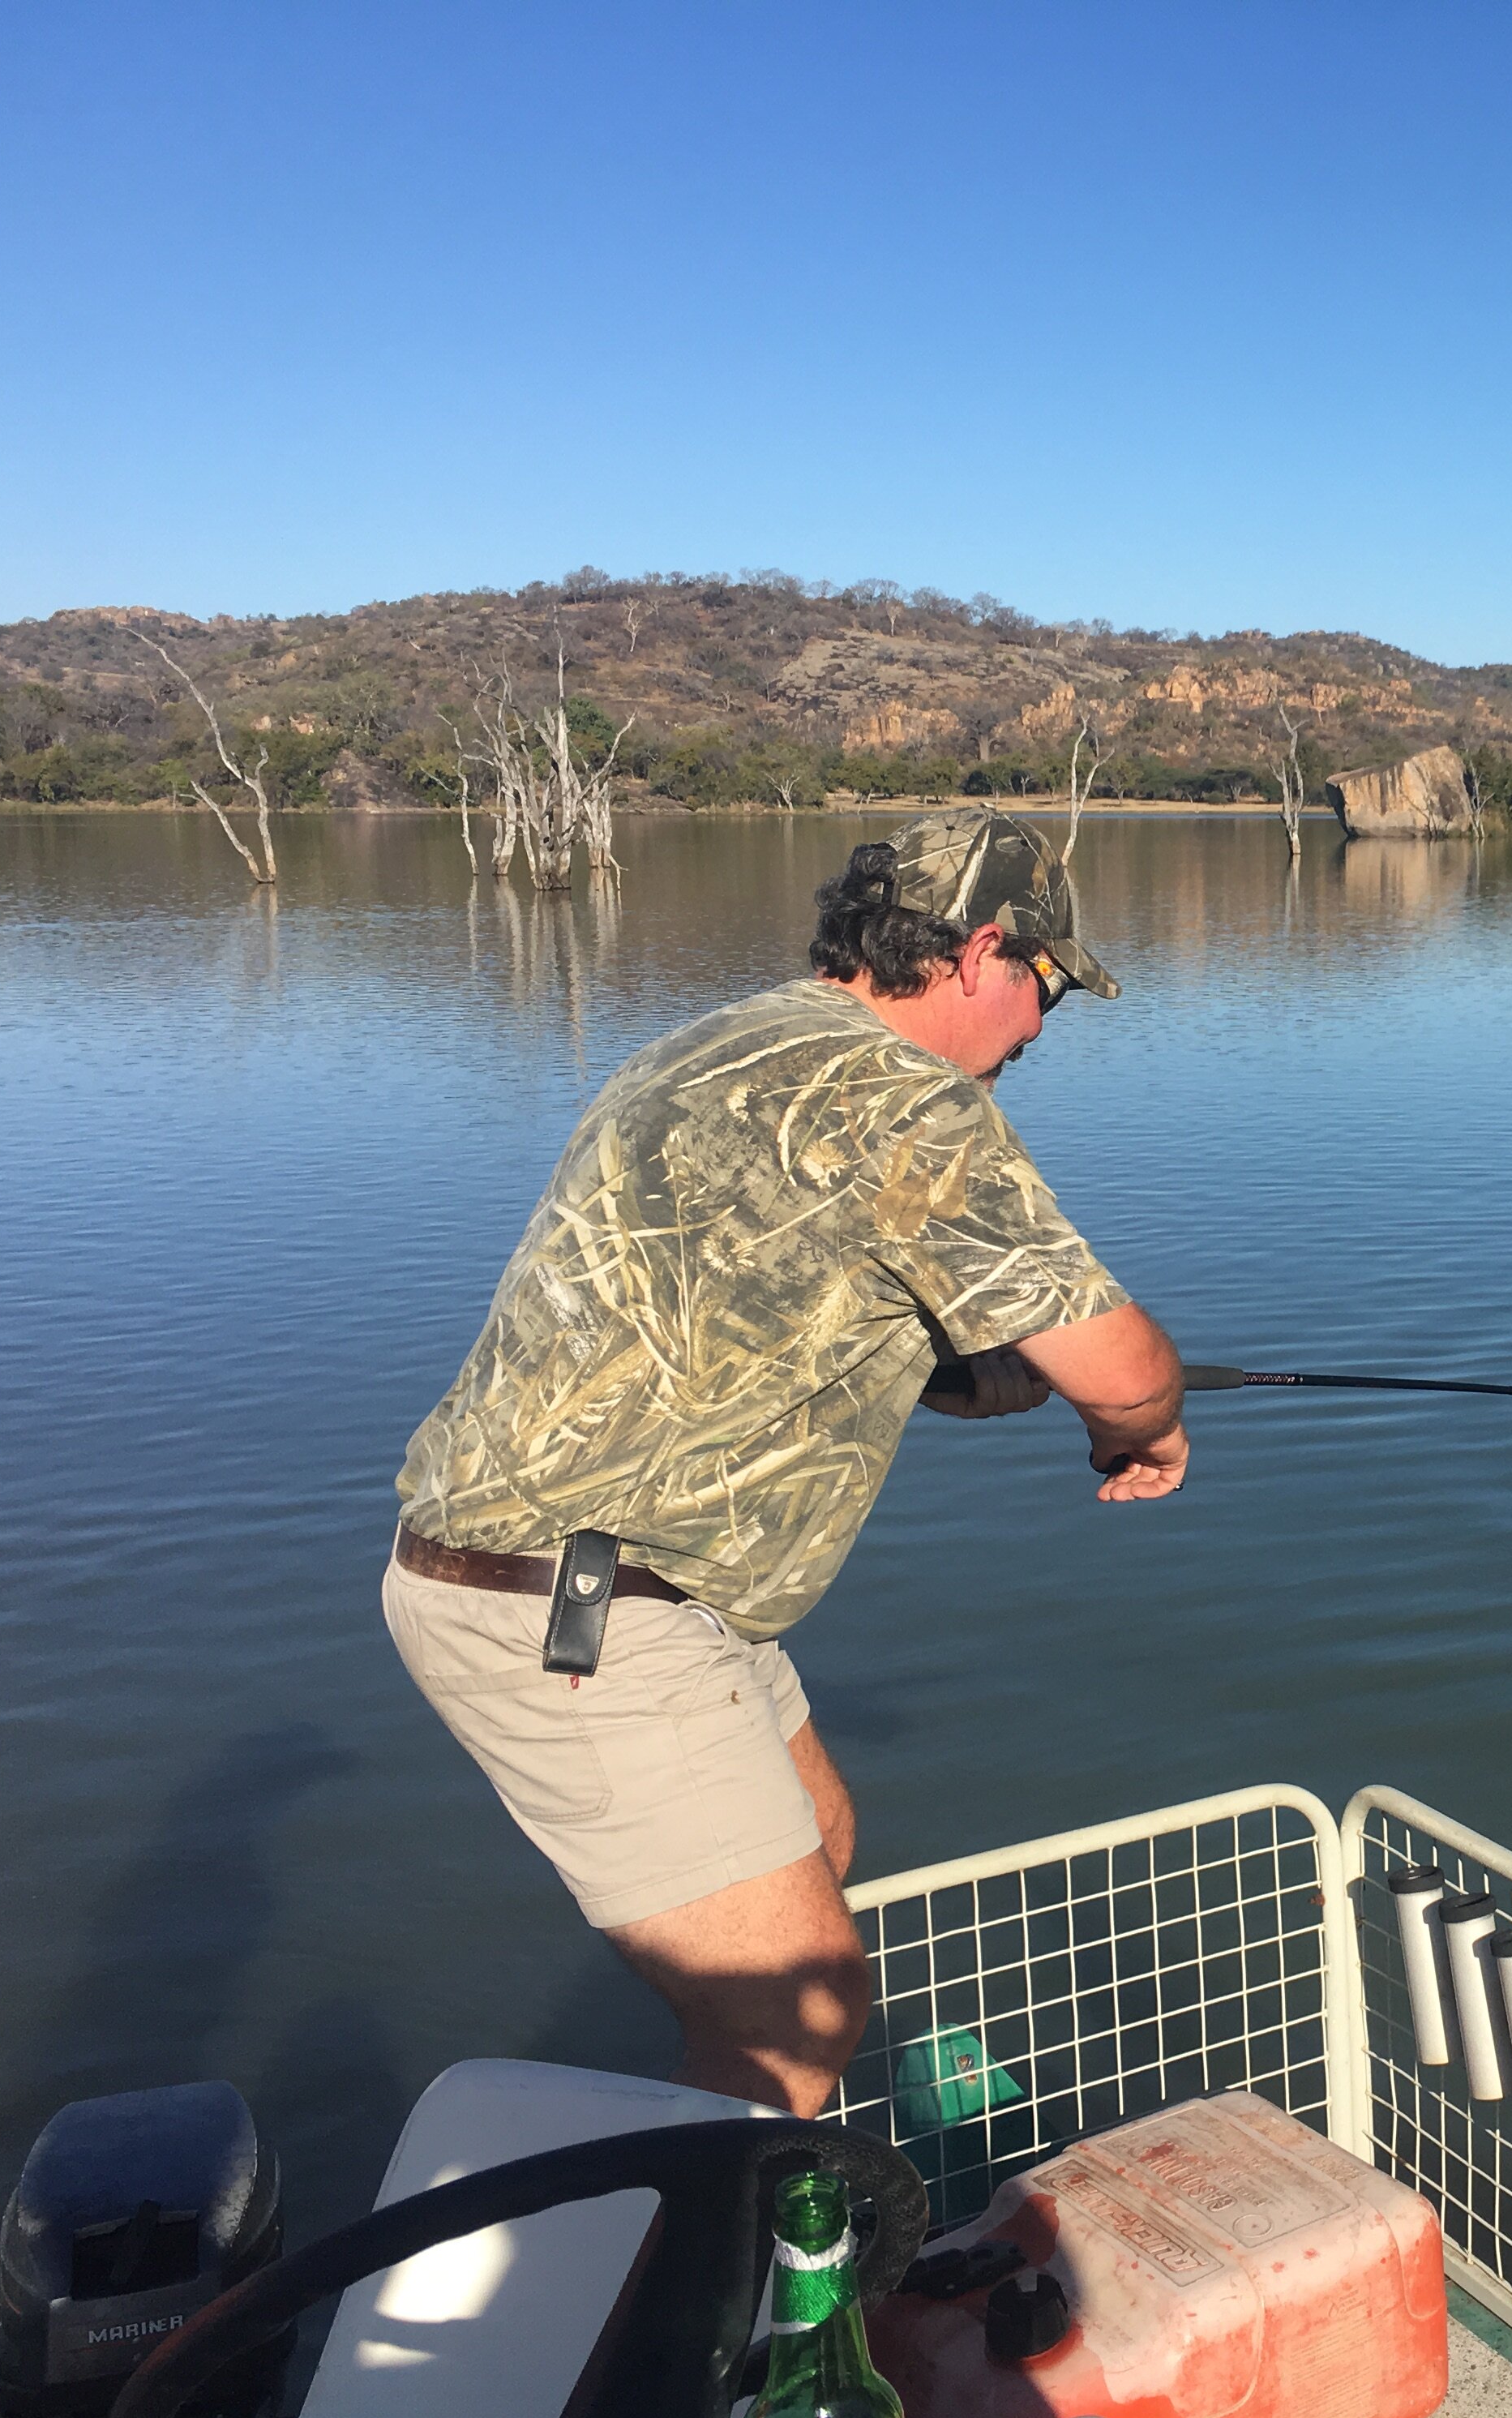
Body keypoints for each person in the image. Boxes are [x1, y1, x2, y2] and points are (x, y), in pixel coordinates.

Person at [384, 812, 1187, 2114]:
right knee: (794, 2024)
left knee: (819, 1837)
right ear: (984, 950)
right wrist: (1141, 1430)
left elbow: (768, 1316)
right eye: (1046, 990)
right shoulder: (908, 1100)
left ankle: (752, 2206)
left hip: (637, 1584)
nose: (1040, 1029)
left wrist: (955, 1371)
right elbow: (1129, 1369)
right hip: (574, 1606)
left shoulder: (729, 1042)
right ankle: (713, 2311)